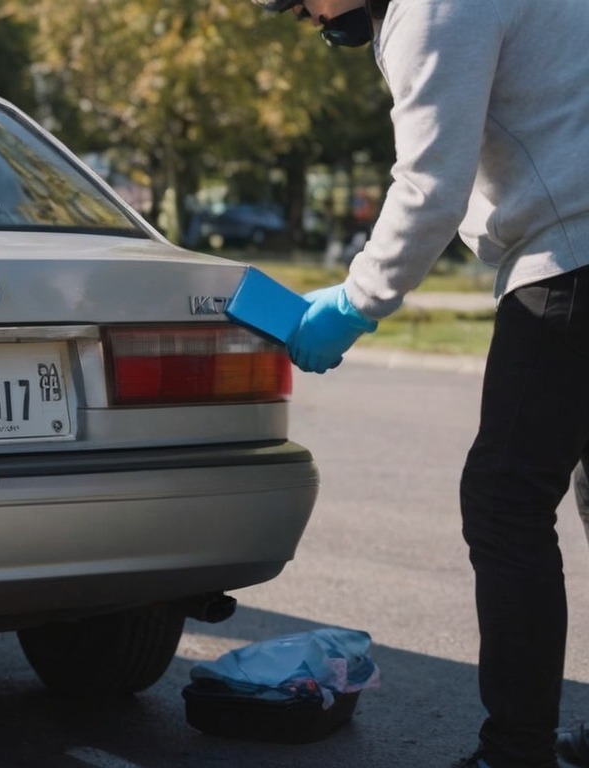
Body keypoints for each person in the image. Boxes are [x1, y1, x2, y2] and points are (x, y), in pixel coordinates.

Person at [248, 0, 589, 766]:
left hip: (574, 259)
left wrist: (356, 302)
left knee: (504, 500)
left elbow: (430, 185)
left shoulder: (433, 11)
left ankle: (516, 751)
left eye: (301, 0)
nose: (305, 15)